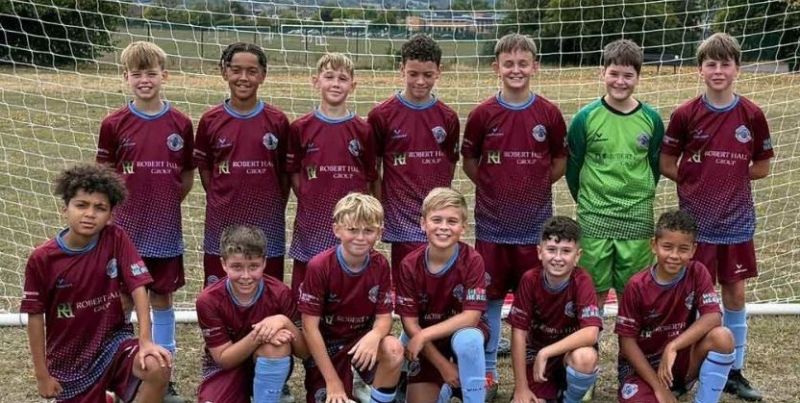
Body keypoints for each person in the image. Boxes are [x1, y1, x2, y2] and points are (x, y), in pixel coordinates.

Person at [660, 32, 774, 401]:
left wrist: (728, 176)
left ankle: (734, 370)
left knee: (735, 293)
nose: (719, 70)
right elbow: (666, 162)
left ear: (737, 68)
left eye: (726, 64)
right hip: (696, 224)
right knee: (694, 296)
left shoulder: (751, 115)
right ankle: (687, 367)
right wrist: (696, 183)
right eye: (711, 63)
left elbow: (762, 166)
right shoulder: (685, 114)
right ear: (700, 69)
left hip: (736, 221)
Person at [461, 33, 568, 398]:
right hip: (492, 228)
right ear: (497, 68)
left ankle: (536, 375)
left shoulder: (549, 114)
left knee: (533, 303)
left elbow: (558, 164)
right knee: (488, 303)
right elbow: (471, 164)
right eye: (509, 64)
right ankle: (489, 374)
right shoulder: (482, 115)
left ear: (535, 67)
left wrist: (531, 185)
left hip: (533, 230)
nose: (516, 70)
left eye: (523, 63)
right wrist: (495, 186)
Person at [21, 164, 172, 402]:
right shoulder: (42, 259)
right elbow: (35, 316)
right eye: (81, 205)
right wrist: (42, 375)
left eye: (100, 208)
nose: (90, 214)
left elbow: (138, 286)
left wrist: (145, 341)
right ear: (65, 209)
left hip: (113, 344)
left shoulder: (115, 237)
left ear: (110, 216)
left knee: (156, 365)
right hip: (71, 362)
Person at [96, 40, 193, 401]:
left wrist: (162, 204)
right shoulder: (114, 124)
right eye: (136, 74)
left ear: (164, 75)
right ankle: (118, 370)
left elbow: (184, 179)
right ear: (126, 78)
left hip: (165, 231)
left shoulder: (181, 123)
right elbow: (103, 180)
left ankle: (163, 374)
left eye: (151, 73)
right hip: (124, 233)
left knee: (162, 298)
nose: (144, 80)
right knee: (121, 300)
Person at [566, 38, 663, 311]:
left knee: (633, 295)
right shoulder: (585, 118)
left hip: (636, 217)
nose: (620, 81)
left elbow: (654, 166)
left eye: (628, 75)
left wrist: (637, 193)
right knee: (591, 294)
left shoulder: (652, 119)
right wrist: (589, 199)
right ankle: (589, 349)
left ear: (638, 77)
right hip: (595, 217)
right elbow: (573, 169)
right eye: (614, 74)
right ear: (603, 73)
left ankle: (628, 354)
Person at [194, 42, 291, 286]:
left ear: (263, 75)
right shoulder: (210, 120)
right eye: (236, 70)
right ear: (224, 72)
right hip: (222, 222)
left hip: (268, 223)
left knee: (268, 294)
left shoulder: (278, 120)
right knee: (220, 292)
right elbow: (206, 171)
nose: (243, 78)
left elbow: (285, 176)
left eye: (251, 71)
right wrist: (223, 196)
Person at [616, 210, 735, 403]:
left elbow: (713, 316)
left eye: (683, 249)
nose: (674, 255)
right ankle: (658, 389)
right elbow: (626, 343)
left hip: (679, 362)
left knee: (723, 337)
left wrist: (673, 346)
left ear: (693, 250)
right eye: (667, 247)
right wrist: (657, 387)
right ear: (654, 245)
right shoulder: (637, 285)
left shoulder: (697, 272)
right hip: (642, 368)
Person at [287, 52, 379, 295]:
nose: (336, 84)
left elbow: (370, 177)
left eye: (342, 78)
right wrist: (310, 194)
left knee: (347, 289)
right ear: (315, 81)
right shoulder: (300, 128)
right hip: (313, 223)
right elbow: (295, 176)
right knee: (308, 293)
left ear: (353, 85)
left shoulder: (364, 130)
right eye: (329, 77)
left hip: (352, 223)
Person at [367, 33, 460, 274]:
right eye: (413, 74)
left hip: (437, 217)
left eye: (428, 75)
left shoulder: (448, 117)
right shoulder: (381, 115)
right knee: (407, 285)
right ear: (402, 70)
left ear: (438, 72)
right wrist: (380, 209)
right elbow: (374, 169)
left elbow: (448, 165)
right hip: (401, 218)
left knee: (438, 281)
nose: (420, 81)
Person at [298, 193, 403, 403]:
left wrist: (374, 336)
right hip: (327, 345)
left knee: (393, 349)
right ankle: (340, 379)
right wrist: (332, 381)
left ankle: (372, 393)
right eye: (353, 230)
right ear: (337, 229)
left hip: (360, 341)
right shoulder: (319, 266)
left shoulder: (380, 264)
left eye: (369, 231)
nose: (361, 237)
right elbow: (309, 328)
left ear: (380, 232)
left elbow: (384, 318)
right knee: (333, 396)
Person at [396, 187, 489, 403]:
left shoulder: (473, 260)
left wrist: (422, 336)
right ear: (423, 223)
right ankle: (443, 387)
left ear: (463, 227)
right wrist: (442, 365)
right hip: (428, 342)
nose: (444, 227)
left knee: (469, 339)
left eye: (452, 221)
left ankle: (474, 396)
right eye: (436, 220)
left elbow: (471, 317)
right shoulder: (409, 265)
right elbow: (410, 323)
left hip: (464, 334)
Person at [196, 225, 308, 403]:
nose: (246, 276)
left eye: (254, 266)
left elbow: (304, 352)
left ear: (264, 263)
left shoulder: (280, 293)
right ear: (224, 264)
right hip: (225, 369)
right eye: (237, 267)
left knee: (276, 345)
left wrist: (284, 321)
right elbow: (223, 359)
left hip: (265, 361)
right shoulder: (208, 300)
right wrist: (258, 335)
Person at [507, 216, 602, 403]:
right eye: (551, 250)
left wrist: (547, 352)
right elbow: (518, 334)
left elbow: (591, 333)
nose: (558, 258)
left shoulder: (582, 281)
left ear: (577, 256)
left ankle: (572, 398)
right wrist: (521, 387)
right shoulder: (529, 280)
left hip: (569, 354)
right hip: (536, 355)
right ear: (540, 252)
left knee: (585, 357)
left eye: (566, 251)